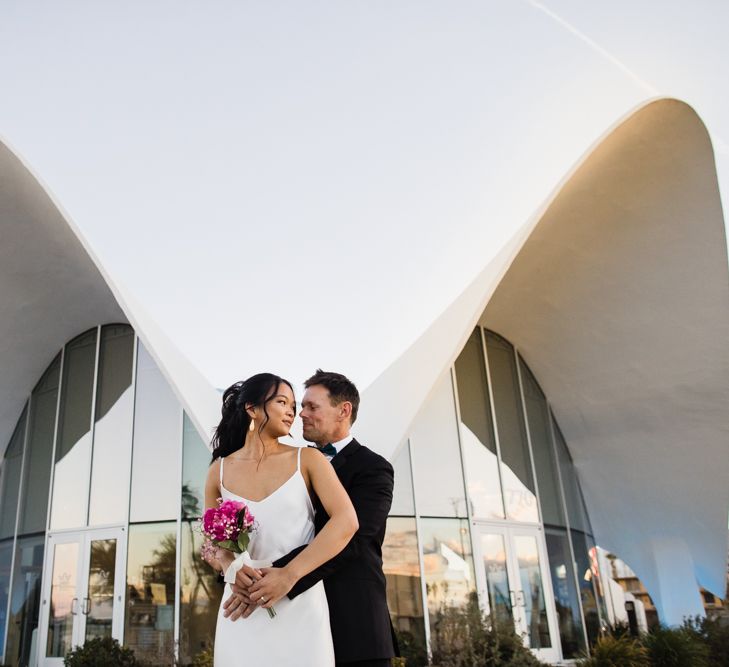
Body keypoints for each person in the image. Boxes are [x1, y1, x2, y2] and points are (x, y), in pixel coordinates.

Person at [226, 370, 398, 667]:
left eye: (311, 407)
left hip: (353, 625)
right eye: (298, 405)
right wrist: (235, 569)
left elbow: (353, 539)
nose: (299, 414)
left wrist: (277, 576)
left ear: (344, 410)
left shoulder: (373, 468)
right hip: (291, 622)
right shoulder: (294, 463)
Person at [204, 373, 358, 666]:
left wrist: (289, 575)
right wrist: (229, 566)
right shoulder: (218, 471)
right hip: (242, 606)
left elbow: (346, 521)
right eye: (281, 402)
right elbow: (210, 542)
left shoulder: (308, 460)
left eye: (294, 404)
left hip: (299, 605)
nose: (292, 411)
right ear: (252, 408)